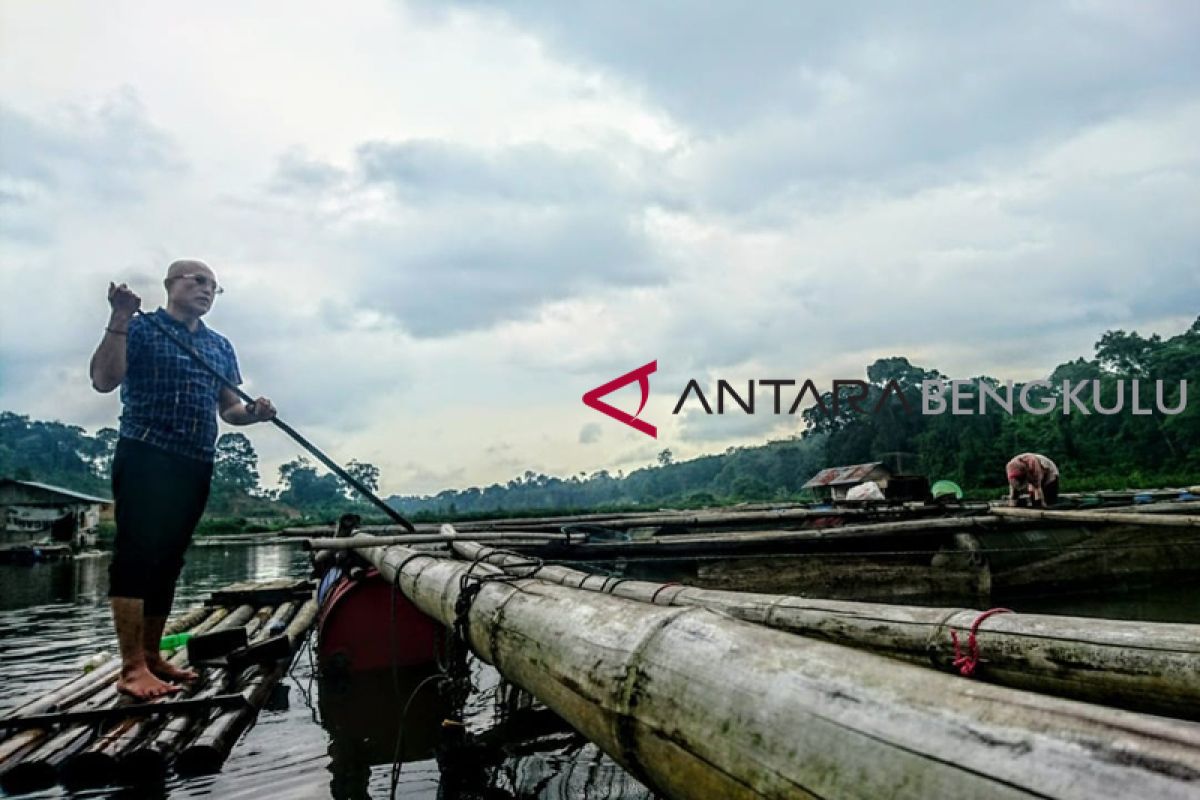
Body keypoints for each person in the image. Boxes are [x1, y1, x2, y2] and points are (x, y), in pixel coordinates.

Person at [89, 259, 276, 699]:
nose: (207, 289)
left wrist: (254, 413)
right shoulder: (141, 327)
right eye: (198, 281)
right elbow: (103, 380)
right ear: (171, 284)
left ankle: (153, 657)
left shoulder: (219, 346)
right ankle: (132, 668)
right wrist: (118, 317)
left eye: (214, 285)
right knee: (137, 556)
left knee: (169, 560)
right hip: (146, 452)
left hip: (196, 460)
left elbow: (229, 410)